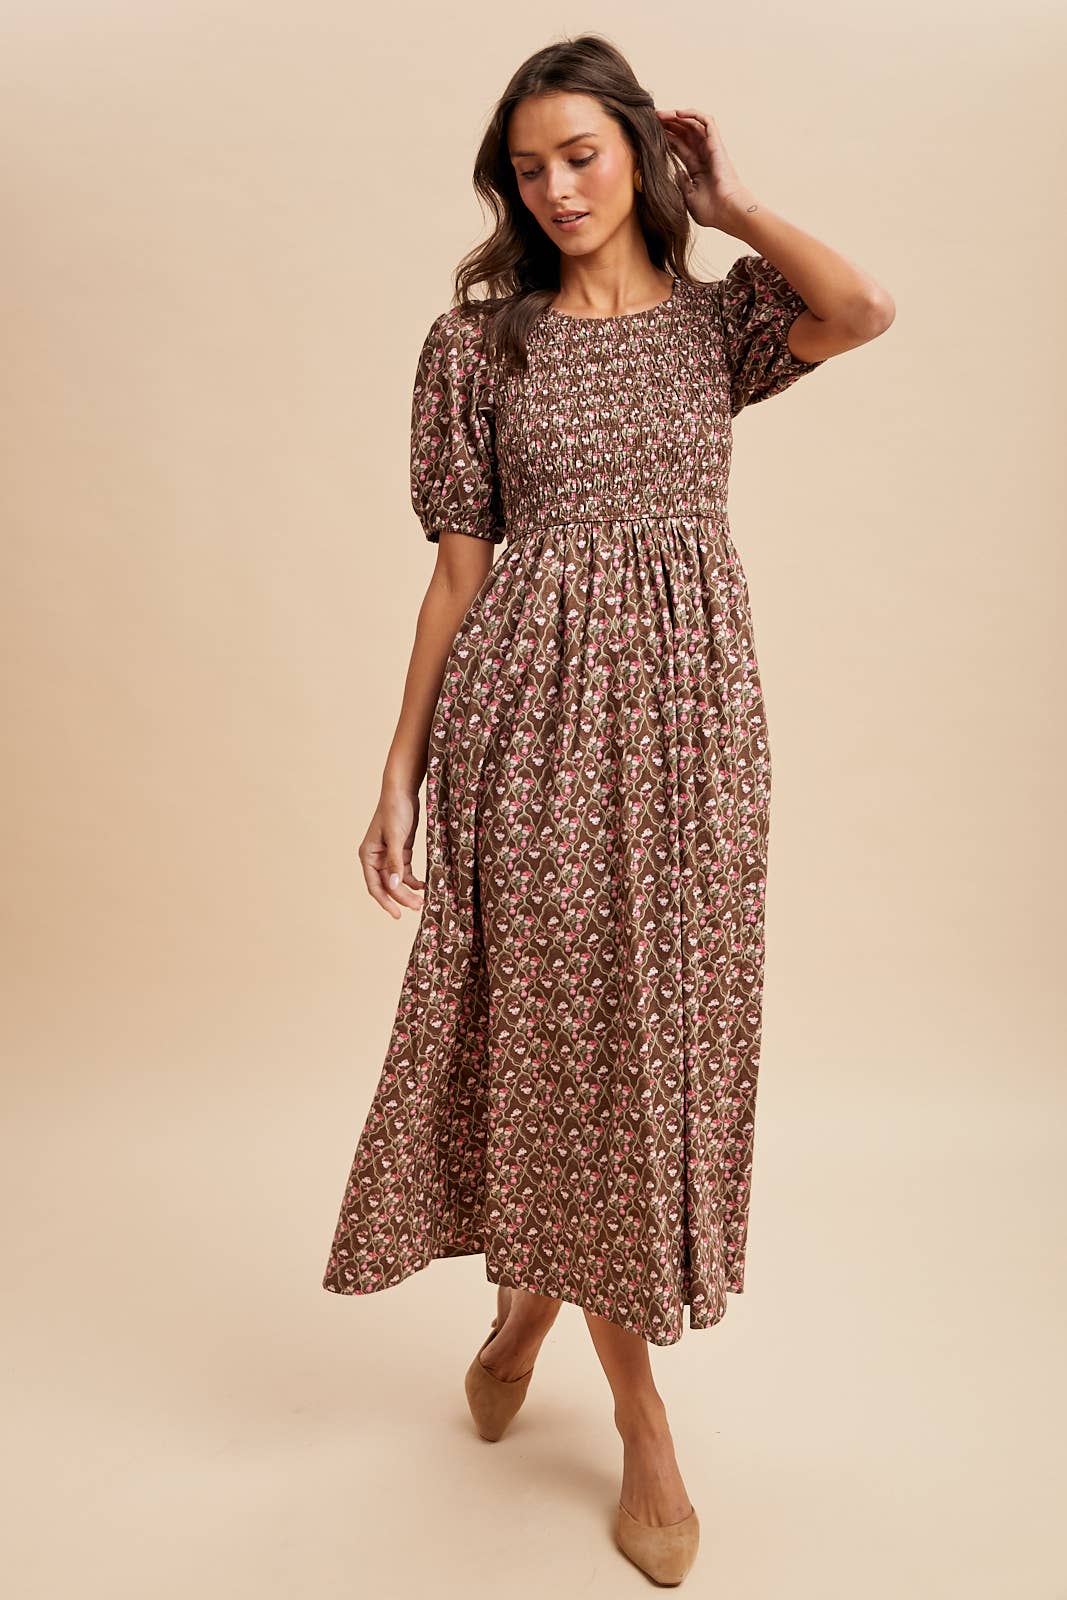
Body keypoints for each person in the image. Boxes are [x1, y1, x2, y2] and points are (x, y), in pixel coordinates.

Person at [322, 32, 893, 1586]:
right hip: (528, 731)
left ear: (642, 152)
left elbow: (863, 309)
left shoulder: (722, 328)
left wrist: (739, 198)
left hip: (697, 734)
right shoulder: (479, 348)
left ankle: (523, 1312)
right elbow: (458, 573)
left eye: (583, 152)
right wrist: (400, 769)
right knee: (572, 1045)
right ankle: (641, 1420)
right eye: (529, 166)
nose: (557, 186)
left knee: (656, 1051)